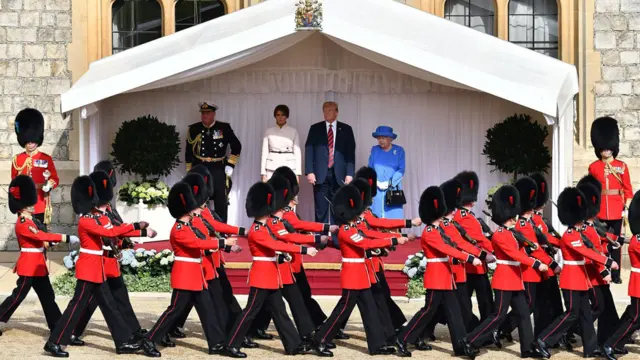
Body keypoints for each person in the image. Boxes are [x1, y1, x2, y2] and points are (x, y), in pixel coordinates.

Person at [44, 175, 158, 357]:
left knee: (110, 306)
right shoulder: (86, 221)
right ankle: (54, 342)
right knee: (76, 306)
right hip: (89, 269)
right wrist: (138, 226)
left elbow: (114, 229)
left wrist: (140, 231)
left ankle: (123, 342)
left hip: (98, 270)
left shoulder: (98, 217)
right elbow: (111, 231)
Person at [222, 181, 321, 358]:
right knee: (250, 312)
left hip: (271, 275)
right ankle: (231, 344)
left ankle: (293, 345)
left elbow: (276, 246)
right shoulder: (258, 230)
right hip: (262, 276)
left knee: (280, 311)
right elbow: (273, 244)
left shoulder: (266, 227)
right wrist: (304, 249)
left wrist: (283, 255)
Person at [312, 184, 408, 356]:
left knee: (370, 309)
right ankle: (320, 339)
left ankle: (377, 344)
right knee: (342, 310)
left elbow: (370, 239)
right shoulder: (346, 230)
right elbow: (366, 244)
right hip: (353, 275)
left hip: (361, 274)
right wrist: (393, 240)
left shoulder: (354, 227)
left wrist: (390, 238)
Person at [142, 181, 234, 357]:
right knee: (173, 311)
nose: (199, 209)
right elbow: (197, 244)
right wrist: (223, 242)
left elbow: (203, 241)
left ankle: (216, 344)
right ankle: (149, 340)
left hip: (196, 276)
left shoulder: (189, 226)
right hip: (185, 276)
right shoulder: (179, 229)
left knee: (207, 310)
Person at [460, 185, 548, 359]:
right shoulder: (500, 234)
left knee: (523, 314)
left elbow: (519, 250)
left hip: (515, 279)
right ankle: (470, 340)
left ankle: (527, 348)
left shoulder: (511, 232)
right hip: (504, 279)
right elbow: (514, 254)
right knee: (498, 315)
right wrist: (536, 263)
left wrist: (532, 246)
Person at [395, 186, 482, 358]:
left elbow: (454, 244)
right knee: (427, 311)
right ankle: (403, 338)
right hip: (436, 277)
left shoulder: (439, 229)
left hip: (446, 277)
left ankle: (461, 346)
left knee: (454, 313)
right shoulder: (429, 232)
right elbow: (447, 249)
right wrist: (470, 258)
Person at [536, 187, 618, 358]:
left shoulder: (579, 234)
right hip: (571, 279)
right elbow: (587, 253)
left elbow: (592, 249)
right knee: (572, 314)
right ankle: (543, 340)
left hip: (581, 279)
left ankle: (591, 348)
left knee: (586, 314)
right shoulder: (570, 235)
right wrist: (608, 261)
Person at [71, 170, 150, 346]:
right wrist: (141, 230)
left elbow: (119, 230)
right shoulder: (95, 217)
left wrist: (136, 236)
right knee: (94, 302)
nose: (108, 204)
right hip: (102, 262)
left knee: (119, 296)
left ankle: (132, 329)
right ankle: (73, 330)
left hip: (110, 262)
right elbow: (113, 231)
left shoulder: (107, 213)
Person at [0, 175, 79, 337]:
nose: (32, 206)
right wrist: (65, 238)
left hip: (39, 266)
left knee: (48, 297)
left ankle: (57, 327)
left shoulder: (33, 221)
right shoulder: (23, 222)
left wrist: (50, 242)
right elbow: (39, 237)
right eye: (29, 204)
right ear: (22, 206)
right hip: (29, 266)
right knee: (18, 296)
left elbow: (42, 240)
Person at [497, 177, 560, 341]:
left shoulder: (530, 222)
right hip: (530, 269)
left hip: (538, 267)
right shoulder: (522, 225)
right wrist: (551, 263)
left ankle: (509, 329)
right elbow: (534, 248)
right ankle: (504, 327)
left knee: (534, 304)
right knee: (529, 305)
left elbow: (544, 238)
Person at [589, 116, 633, 283]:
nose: (606, 150)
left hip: (616, 209)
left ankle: (616, 274)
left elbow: (628, 190)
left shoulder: (621, 166)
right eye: (603, 148)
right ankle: (603, 269)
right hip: (600, 209)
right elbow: (592, 190)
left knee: (616, 242)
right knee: (600, 241)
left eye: (609, 147)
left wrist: (626, 208)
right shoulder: (594, 167)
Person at [185, 102, 242, 222]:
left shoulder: (224, 128)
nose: (205, 115)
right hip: (199, 168)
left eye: (208, 113)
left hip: (218, 168)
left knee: (221, 200)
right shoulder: (194, 129)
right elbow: (188, 151)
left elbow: (236, 146)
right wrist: (189, 170)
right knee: (198, 198)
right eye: (203, 113)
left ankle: (221, 231)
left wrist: (230, 164)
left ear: (214, 114)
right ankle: (198, 227)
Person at [305, 101, 356, 231]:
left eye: (330, 110)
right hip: (320, 174)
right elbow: (309, 150)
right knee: (320, 208)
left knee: (338, 208)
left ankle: (337, 239)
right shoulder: (315, 128)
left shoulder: (346, 129)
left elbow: (350, 153)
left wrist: (350, 173)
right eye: (325, 110)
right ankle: (320, 238)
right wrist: (309, 171)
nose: (327, 112)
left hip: (339, 175)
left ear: (337, 112)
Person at [602, 190, 640, 360]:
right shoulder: (637, 240)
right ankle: (610, 343)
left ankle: (616, 342)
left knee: (633, 314)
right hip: (639, 284)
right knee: (636, 316)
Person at [453, 171, 494, 327]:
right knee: (484, 301)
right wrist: (494, 249)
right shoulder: (464, 217)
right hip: (473, 265)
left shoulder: (465, 215)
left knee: (465, 300)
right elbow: (479, 240)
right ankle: (485, 328)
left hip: (473, 264)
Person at [529, 172, 565, 340]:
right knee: (541, 306)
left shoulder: (540, 219)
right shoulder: (531, 221)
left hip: (547, 266)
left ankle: (556, 334)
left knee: (554, 304)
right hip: (541, 267)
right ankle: (544, 336)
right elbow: (538, 244)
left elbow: (548, 237)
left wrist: (562, 241)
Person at [12, 108, 59, 229]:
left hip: (40, 203)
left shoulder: (46, 159)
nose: (30, 144)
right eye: (27, 141)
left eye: (33, 141)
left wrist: (49, 184)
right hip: (24, 205)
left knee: (42, 238)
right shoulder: (17, 160)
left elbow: (54, 178)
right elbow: (14, 183)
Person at [367, 126, 406, 219]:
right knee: (375, 216)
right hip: (377, 189)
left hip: (393, 189)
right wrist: (375, 182)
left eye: (383, 138)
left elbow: (401, 170)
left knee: (393, 217)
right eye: (379, 138)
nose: (381, 140)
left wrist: (389, 183)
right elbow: (370, 168)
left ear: (390, 139)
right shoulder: (374, 150)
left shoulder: (399, 151)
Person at [260, 105, 302, 182]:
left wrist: (298, 173)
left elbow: (297, 153)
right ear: (275, 116)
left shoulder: (293, 131)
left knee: (288, 191)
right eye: (278, 115)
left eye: (283, 115)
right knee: (272, 191)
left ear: (287, 116)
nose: (280, 117)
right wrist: (263, 173)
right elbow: (264, 152)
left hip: (289, 165)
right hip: (271, 166)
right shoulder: (269, 131)